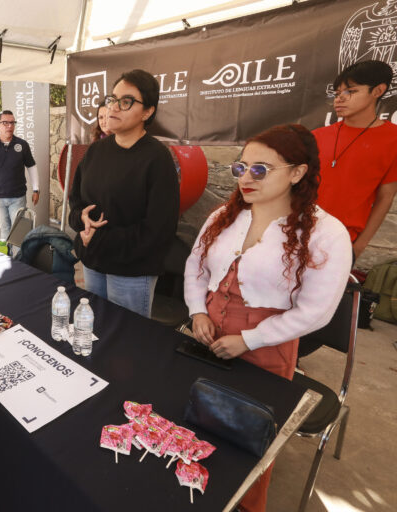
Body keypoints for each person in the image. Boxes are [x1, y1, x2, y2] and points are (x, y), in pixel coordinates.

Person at [183, 124, 352, 512]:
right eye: (241, 168)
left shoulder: (327, 233)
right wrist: (196, 311)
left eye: (261, 169)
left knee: (248, 440)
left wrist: (249, 339)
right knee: (194, 419)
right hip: (204, 338)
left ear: (297, 172)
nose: (246, 178)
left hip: (266, 352)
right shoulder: (225, 216)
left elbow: (316, 311)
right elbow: (196, 266)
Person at [68, 69, 179, 318]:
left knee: (125, 344)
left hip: (131, 271)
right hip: (93, 263)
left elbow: (159, 230)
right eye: (112, 99)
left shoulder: (156, 158)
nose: (114, 108)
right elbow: (76, 202)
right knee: (95, 331)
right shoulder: (96, 151)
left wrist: (97, 240)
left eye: (126, 102)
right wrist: (81, 220)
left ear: (148, 112)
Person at [313, 60, 397, 261]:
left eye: (350, 91)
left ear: (377, 91)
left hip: (341, 241)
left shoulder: (393, 139)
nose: (339, 99)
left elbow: (386, 197)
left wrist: (358, 247)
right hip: (294, 233)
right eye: (336, 93)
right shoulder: (316, 136)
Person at [0, 110, 39, 240]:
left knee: (18, 232)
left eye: (12, 123)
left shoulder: (22, 145)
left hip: (18, 198)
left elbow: (31, 167)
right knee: (4, 230)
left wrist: (36, 189)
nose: (9, 126)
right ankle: (8, 258)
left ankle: (18, 258)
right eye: (5, 123)